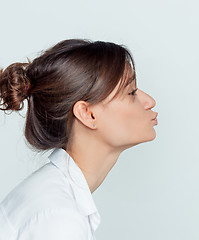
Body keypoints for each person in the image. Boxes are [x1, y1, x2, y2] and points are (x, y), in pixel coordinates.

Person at [0, 39, 158, 239]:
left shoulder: (53, 198)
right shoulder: (60, 219)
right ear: (87, 114)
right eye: (131, 92)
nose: (150, 101)